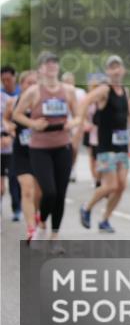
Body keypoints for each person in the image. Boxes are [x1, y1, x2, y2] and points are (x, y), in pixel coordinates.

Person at [12, 52, 80, 253]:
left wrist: (71, 124)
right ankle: (41, 222)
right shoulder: (33, 92)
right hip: (39, 148)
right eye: (47, 63)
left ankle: (55, 236)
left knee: (61, 193)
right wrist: (33, 123)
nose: (51, 66)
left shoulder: (68, 90)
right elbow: (16, 114)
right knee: (49, 191)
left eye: (54, 63)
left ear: (58, 67)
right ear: (40, 68)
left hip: (62, 146)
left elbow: (78, 117)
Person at [77, 55, 130, 233]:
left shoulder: (125, 91)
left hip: (122, 145)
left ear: (123, 70)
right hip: (106, 146)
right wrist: (82, 121)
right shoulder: (104, 90)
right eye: (112, 67)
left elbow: (128, 113)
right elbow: (86, 100)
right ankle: (86, 207)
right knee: (110, 185)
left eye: (118, 67)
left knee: (121, 185)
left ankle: (105, 220)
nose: (116, 70)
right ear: (107, 71)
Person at [7, 71, 38, 238]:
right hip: (21, 152)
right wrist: (9, 129)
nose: (31, 86)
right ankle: (31, 228)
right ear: (21, 85)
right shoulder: (13, 102)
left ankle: (38, 214)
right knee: (27, 189)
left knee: (41, 192)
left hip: (41, 152)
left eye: (35, 82)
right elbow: (7, 119)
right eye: (28, 83)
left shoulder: (42, 103)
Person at [1, 65, 19, 221]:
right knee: (1, 186)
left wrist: (11, 136)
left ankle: (17, 208)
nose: (6, 82)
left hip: (15, 142)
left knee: (15, 179)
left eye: (9, 79)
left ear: (15, 77)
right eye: (3, 80)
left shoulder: (22, 94)